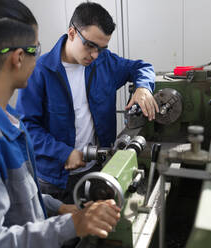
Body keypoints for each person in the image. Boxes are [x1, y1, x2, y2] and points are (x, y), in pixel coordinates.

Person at [0, 0, 120, 247]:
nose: (40, 59)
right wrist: (73, 225)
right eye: (36, 50)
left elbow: (17, 197)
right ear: (18, 58)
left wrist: (60, 208)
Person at [16, 2, 159, 204]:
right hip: (56, 181)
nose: (95, 55)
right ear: (72, 33)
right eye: (90, 45)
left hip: (97, 170)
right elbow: (27, 128)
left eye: (102, 48)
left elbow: (142, 67)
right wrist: (64, 153)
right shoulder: (39, 72)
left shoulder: (103, 62)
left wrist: (143, 87)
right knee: (65, 233)